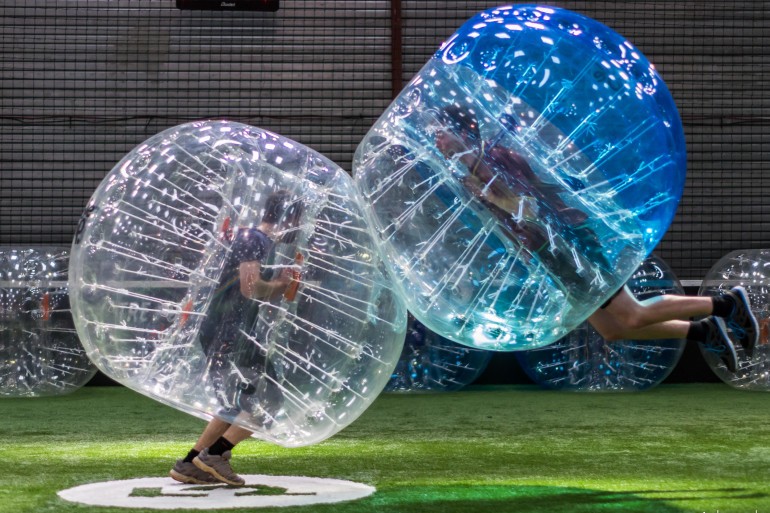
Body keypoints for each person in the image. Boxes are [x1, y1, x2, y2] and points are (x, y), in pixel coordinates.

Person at [433, 103, 759, 372]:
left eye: (441, 132)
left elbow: (529, 208)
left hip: (570, 243)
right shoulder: (474, 169)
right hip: (551, 253)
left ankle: (727, 305)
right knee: (612, 329)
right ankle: (703, 330)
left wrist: (487, 196)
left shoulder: (492, 161)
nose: (436, 139)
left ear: (462, 133)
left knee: (632, 313)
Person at [169, 189, 303, 486]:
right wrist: (280, 285)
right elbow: (250, 287)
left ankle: (189, 464)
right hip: (230, 333)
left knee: (233, 404)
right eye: (298, 220)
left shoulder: (256, 241)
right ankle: (215, 455)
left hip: (225, 332)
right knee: (270, 402)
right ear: (288, 217)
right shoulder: (253, 239)